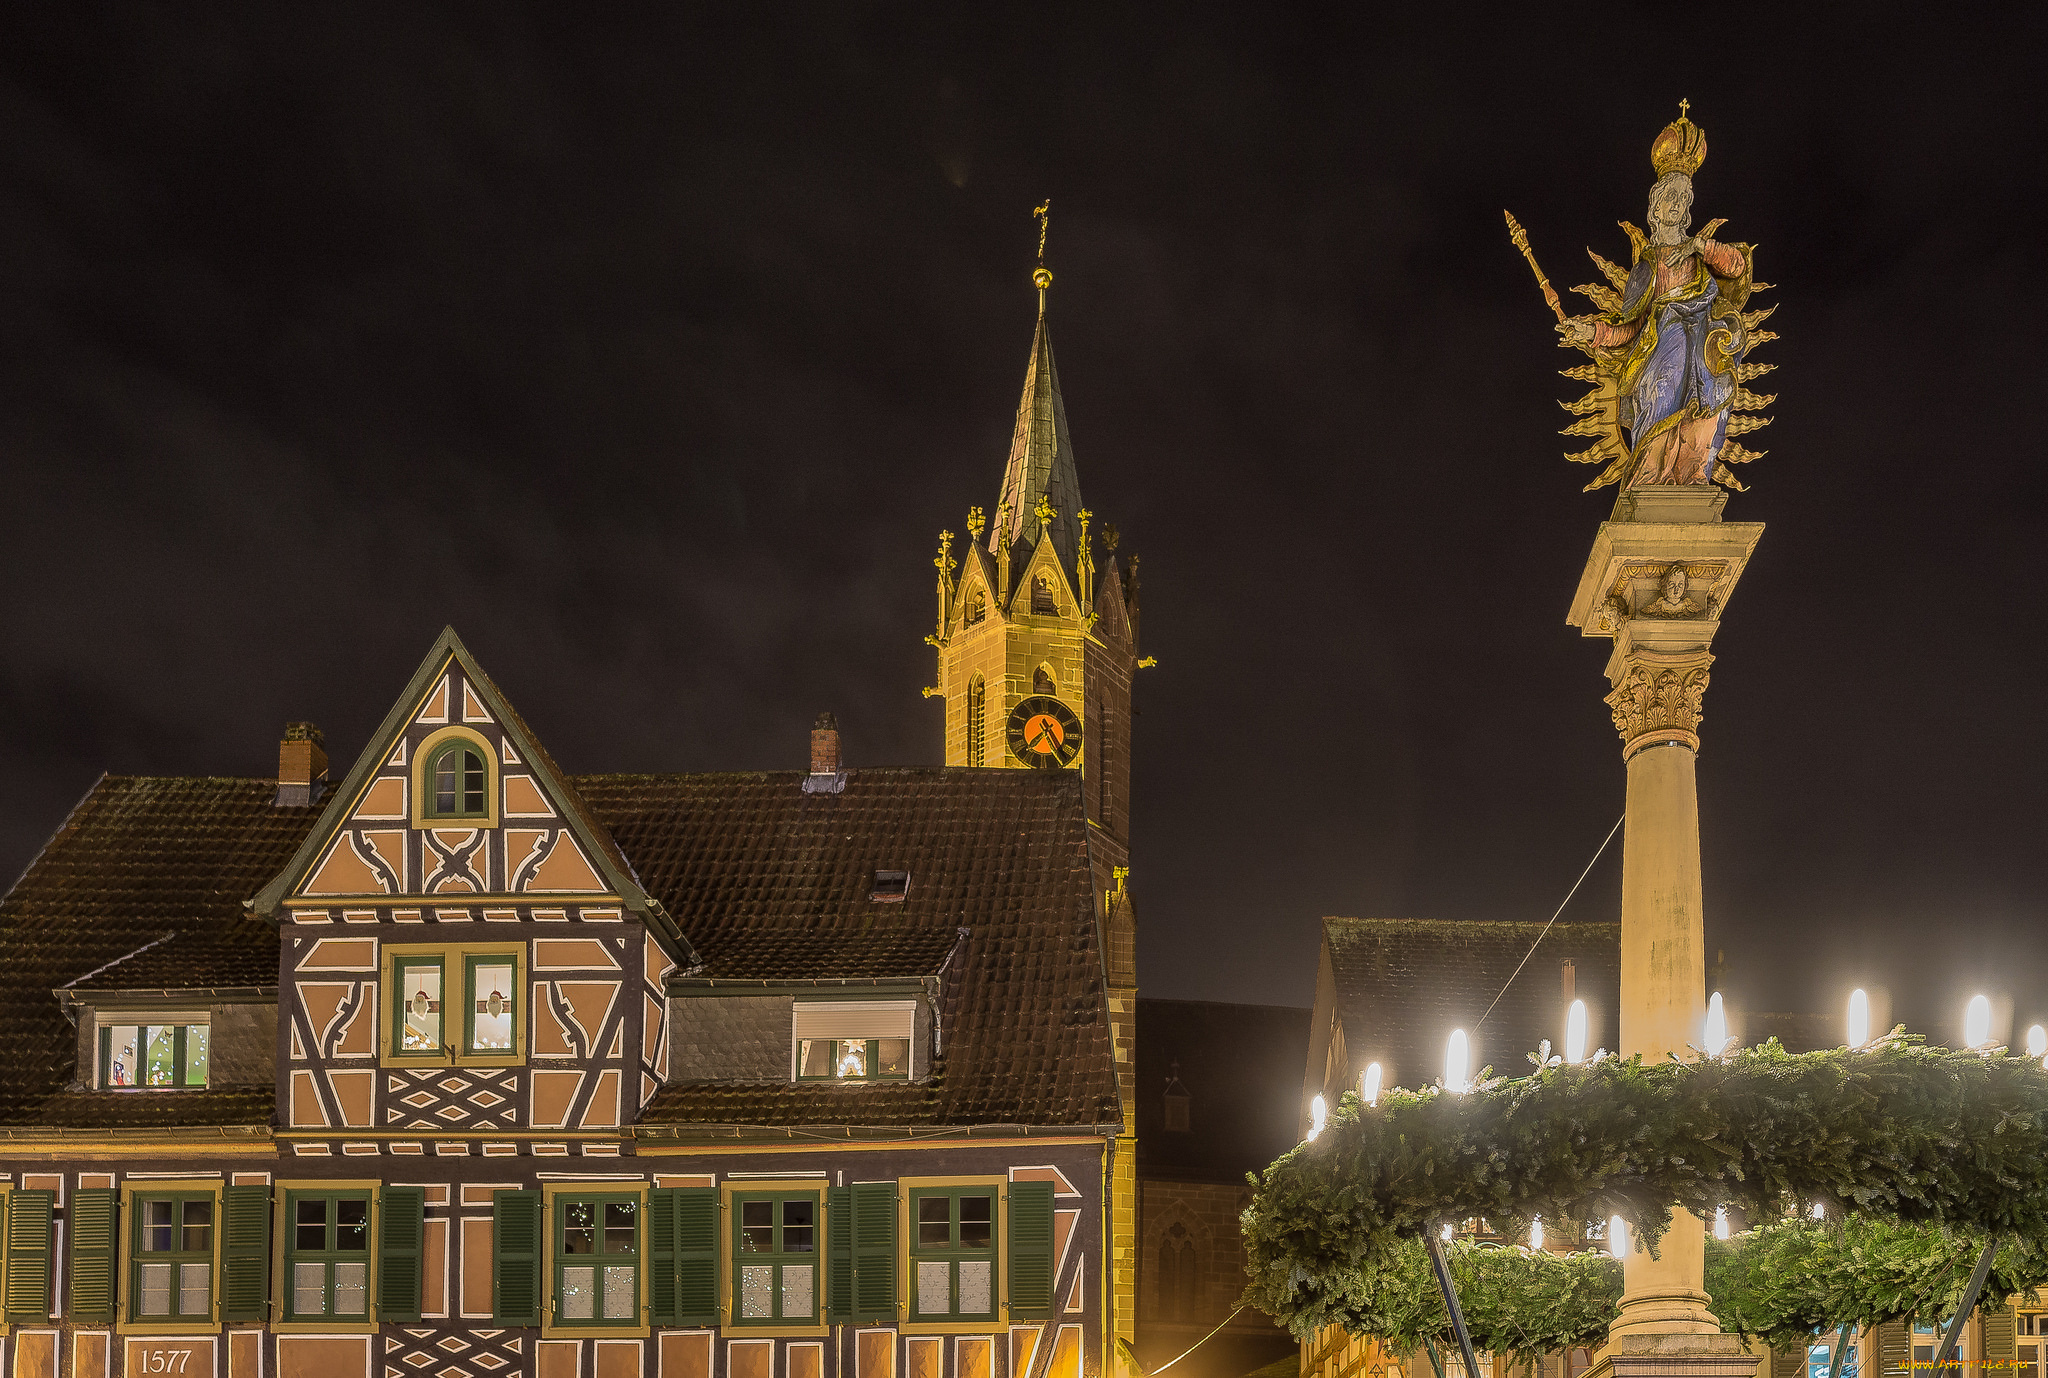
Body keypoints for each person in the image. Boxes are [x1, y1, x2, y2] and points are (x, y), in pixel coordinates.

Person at [1558, 126, 1755, 487]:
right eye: (1670, 197)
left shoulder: (1697, 256)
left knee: (1710, 395)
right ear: (1656, 206)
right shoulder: (1647, 266)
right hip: (1661, 350)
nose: (1677, 204)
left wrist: (1699, 246)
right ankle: (1651, 474)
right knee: (1664, 383)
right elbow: (1630, 325)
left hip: (1702, 349)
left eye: (1683, 198)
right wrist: (1591, 330)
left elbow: (1738, 267)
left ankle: (1692, 472)